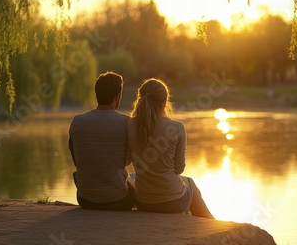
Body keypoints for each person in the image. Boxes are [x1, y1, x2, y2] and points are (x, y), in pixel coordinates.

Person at [127, 78, 214, 218]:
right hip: (173, 202)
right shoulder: (177, 127)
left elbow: (128, 160)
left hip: (143, 201)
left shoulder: (130, 124)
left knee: (132, 177)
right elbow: (179, 169)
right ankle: (211, 224)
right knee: (190, 183)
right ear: (164, 102)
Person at [68, 71, 135, 210]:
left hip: (85, 199)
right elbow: (127, 160)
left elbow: (77, 160)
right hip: (119, 201)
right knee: (134, 181)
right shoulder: (126, 122)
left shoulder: (77, 121)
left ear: (96, 95)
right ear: (117, 97)